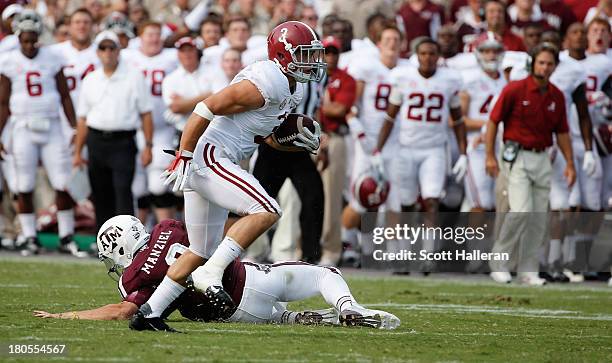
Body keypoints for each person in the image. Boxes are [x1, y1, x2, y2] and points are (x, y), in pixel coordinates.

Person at [129, 21, 325, 332]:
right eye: (304, 54)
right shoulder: (267, 79)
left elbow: (262, 135)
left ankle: (149, 313)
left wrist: (293, 140)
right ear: (283, 54)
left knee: (200, 249)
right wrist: (185, 152)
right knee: (267, 210)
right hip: (209, 155)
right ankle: (211, 274)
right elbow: (206, 107)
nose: (311, 62)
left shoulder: (294, 87)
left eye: (313, 54)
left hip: (219, 157)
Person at [33, 216, 400, 330]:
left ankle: (292, 318)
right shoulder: (168, 228)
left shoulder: (132, 279)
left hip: (235, 313)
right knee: (324, 274)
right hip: (250, 278)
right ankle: (349, 306)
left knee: (278, 317)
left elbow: (125, 311)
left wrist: (66, 314)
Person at [486, 43, 576, 286]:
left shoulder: (556, 95)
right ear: (533, 64)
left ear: (555, 66)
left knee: (538, 217)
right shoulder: (515, 89)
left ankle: (528, 269)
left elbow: (563, 132)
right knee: (521, 210)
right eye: (541, 62)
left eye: (549, 63)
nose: (545, 68)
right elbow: (493, 122)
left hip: (542, 156)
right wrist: (490, 156)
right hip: (517, 155)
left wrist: (570, 163)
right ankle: (499, 261)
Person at [0, 10, 78, 256]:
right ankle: (29, 236)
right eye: (26, 40)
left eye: (34, 39)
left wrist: (74, 127)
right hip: (22, 126)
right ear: (18, 37)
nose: (30, 44)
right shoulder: (9, 60)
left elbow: (65, 95)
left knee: (62, 182)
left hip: (52, 124)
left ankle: (66, 235)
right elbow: (3, 102)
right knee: (24, 184)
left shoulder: (52, 57)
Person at [73, 31, 153, 230]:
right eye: (103, 48)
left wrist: (148, 146)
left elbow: (146, 113)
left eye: (111, 48)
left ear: (119, 51)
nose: (107, 52)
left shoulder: (134, 76)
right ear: (97, 52)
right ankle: (104, 241)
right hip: (96, 140)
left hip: (123, 141)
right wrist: (77, 152)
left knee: (122, 190)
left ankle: (128, 240)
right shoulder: (90, 79)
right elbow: (83, 118)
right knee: (100, 192)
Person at [341, 25, 403, 246]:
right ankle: (347, 239)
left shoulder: (407, 70)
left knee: (394, 198)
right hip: (367, 140)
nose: (392, 43)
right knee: (361, 197)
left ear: (402, 43)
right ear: (379, 43)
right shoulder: (367, 67)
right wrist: (356, 124)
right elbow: (353, 104)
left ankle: (394, 250)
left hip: (396, 142)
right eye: (387, 38)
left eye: (396, 39)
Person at [122, 21, 179, 223]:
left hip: (163, 128)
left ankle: (167, 229)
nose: (154, 39)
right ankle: (141, 230)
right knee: (137, 186)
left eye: (157, 34)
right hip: (134, 128)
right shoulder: (128, 56)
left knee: (158, 184)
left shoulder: (172, 57)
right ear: (140, 38)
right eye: (150, 34)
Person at [318, 36, 357, 266]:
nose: (330, 57)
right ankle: (301, 247)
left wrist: (318, 103)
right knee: (301, 195)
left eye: (333, 52)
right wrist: (324, 103)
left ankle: (330, 250)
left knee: (332, 196)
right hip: (308, 137)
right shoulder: (311, 75)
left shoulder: (346, 79)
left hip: (334, 137)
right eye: (326, 52)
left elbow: (339, 109)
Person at [459, 32, 507, 212]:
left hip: (501, 146)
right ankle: (473, 241)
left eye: (495, 51)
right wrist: (487, 125)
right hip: (477, 146)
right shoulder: (469, 79)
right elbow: (457, 120)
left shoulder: (508, 79)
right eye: (486, 51)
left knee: (499, 204)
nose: (491, 56)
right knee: (480, 204)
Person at [161, 36, 211, 135]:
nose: (187, 54)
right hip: (183, 132)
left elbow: (220, 99)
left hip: (210, 132)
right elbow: (176, 107)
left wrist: (185, 102)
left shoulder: (211, 72)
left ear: (197, 51)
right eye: (183, 51)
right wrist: (206, 96)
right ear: (178, 54)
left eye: (190, 50)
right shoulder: (170, 79)